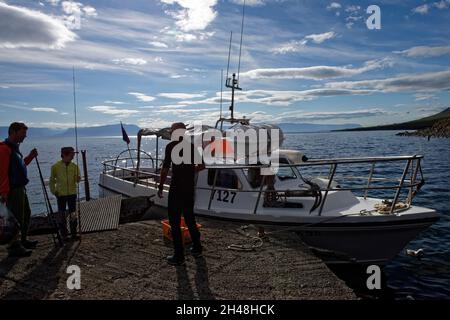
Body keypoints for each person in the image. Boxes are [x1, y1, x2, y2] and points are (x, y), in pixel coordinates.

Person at [158, 122, 205, 266]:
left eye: (172, 130)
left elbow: (165, 169)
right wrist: (190, 171)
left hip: (177, 188)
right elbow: (202, 166)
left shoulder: (171, 146)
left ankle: (179, 256)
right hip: (189, 188)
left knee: (174, 220)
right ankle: (197, 247)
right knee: (189, 217)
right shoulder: (191, 147)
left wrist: (160, 186)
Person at [0, 122, 39, 257]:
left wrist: (30, 157)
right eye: (23, 133)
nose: (25, 136)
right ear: (13, 132)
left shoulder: (14, 149)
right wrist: (4, 192)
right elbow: (2, 172)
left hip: (20, 188)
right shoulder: (4, 149)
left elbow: (21, 166)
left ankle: (22, 240)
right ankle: (13, 247)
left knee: (25, 214)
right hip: (12, 190)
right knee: (14, 218)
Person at [49, 147, 80, 239]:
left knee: (73, 214)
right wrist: (54, 191)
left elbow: (77, 179)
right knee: (62, 215)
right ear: (65, 154)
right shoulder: (55, 167)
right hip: (61, 194)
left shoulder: (75, 166)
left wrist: (78, 179)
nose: (73, 156)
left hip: (72, 193)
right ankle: (64, 235)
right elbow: (52, 181)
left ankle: (74, 233)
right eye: (72, 154)